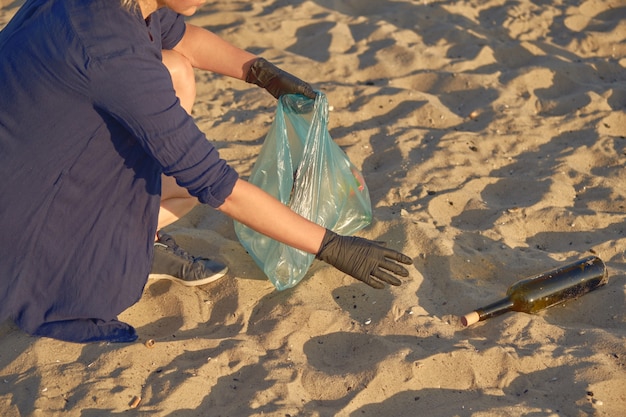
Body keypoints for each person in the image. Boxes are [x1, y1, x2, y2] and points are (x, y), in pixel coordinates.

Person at [0, 0, 413, 344]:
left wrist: (262, 74)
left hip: (23, 168)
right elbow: (219, 186)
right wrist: (333, 246)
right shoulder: (115, 57)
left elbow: (184, 39)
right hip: (20, 226)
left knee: (175, 67)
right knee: (185, 188)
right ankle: (106, 252)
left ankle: (144, 234)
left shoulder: (107, 8)